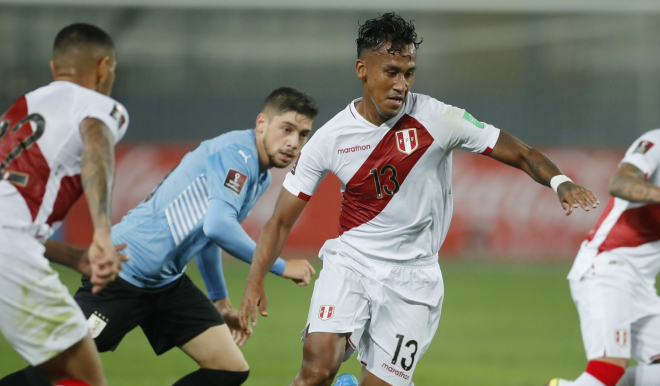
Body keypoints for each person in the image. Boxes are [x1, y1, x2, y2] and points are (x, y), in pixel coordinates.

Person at [239, 13, 600, 386]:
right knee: (315, 373)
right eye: (391, 72)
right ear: (362, 70)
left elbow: (520, 152)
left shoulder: (438, 118)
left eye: (408, 73)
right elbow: (280, 221)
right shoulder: (330, 140)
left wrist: (560, 181)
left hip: (414, 281)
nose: (401, 84)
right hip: (352, 264)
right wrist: (255, 280)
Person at [72, 87, 318, 386]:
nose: (294, 142)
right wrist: (280, 266)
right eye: (287, 129)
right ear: (262, 124)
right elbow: (218, 226)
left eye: (303, 134)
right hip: (121, 269)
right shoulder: (236, 155)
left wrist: (220, 300)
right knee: (59, 365)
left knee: (229, 368)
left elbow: (209, 234)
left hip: (165, 283)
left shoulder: (261, 176)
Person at [0, 23, 129, 386]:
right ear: (104, 68)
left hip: (11, 243)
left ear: (55, 68)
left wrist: (74, 257)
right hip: (9, 252)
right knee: (83, 377)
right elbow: (96, 144)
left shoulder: (17, 112)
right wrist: (102, 230)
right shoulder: (98, 106)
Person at [547, 131, 660, 386]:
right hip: (608, 267)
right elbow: (620, 183)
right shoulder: (656, 143)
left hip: (642, 283)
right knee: (608, 369)